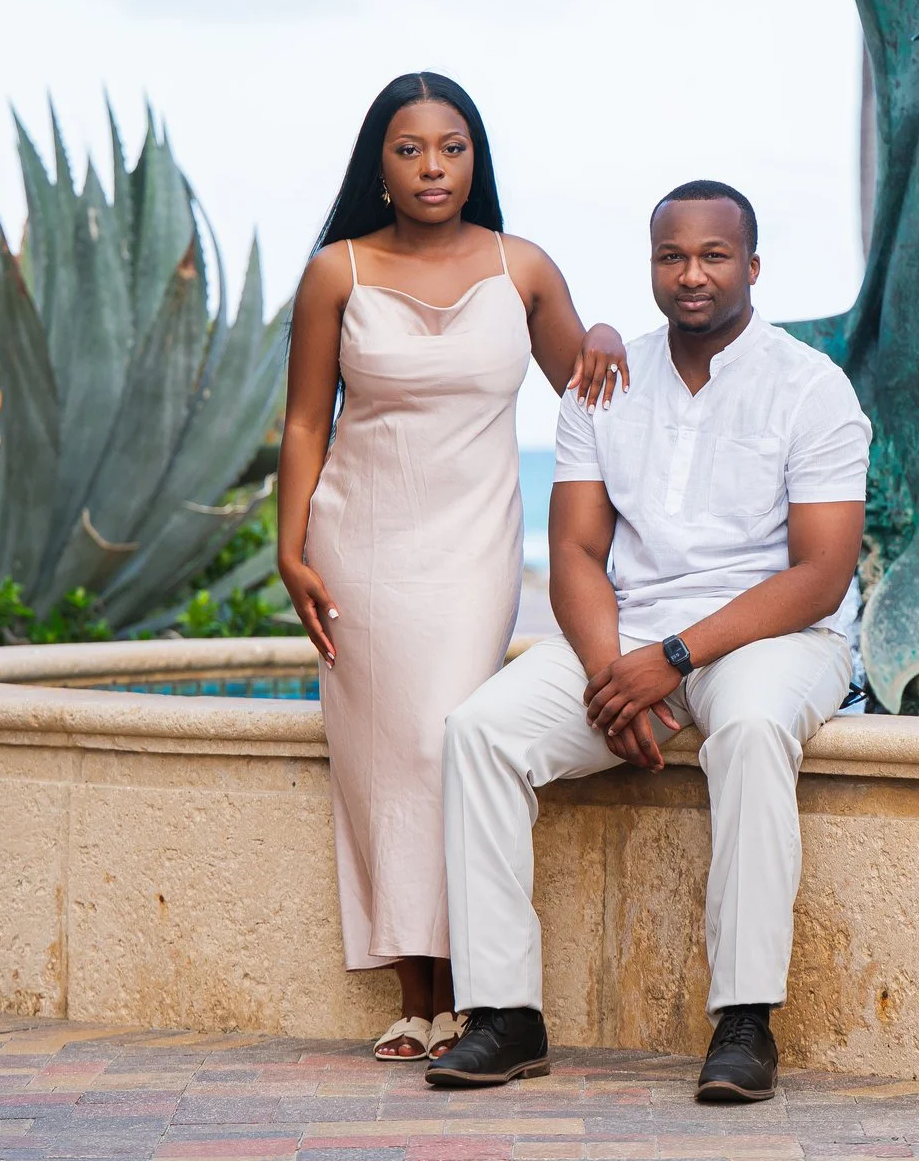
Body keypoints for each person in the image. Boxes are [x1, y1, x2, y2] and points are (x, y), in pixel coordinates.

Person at [426, 179, 869, 1104]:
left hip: (773, 634)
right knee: (479, 732)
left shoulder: (811, 386)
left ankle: (745, 1020)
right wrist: (607, 677)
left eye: (714, 255)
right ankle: (507, 1017)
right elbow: (577, 550)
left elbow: (819, 574)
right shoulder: (605, 382)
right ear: (653, 266)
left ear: (753, 266)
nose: (692, 274)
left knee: (748, 731)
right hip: (624, 637)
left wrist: (671, 660)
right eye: (672, 256)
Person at [278, 71, 631, 1065]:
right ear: (379, 168)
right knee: (385, 760)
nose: (433, 165)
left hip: (472, 550)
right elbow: (308, 420)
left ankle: (469, 989)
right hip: (362, 545)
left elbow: (585, 389)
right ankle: (415, 995)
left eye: (452, 146)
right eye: (409, 149)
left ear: (474, 159)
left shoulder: (523, 268)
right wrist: (289, 545)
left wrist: (600, 329)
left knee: (448, 748)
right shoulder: (336, 272)